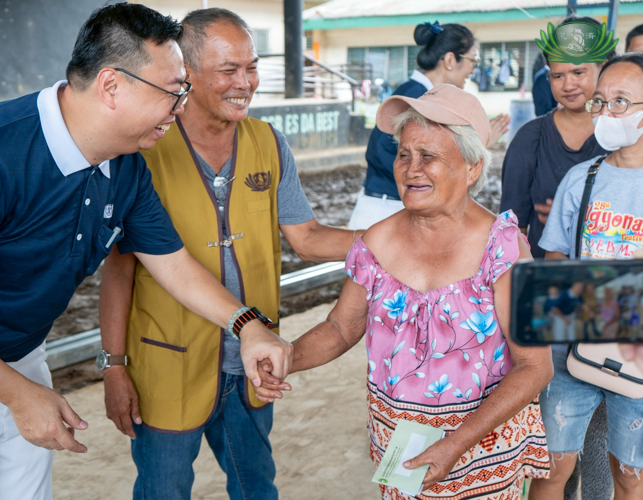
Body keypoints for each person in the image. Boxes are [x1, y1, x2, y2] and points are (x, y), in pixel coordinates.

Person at [0, 5, 292, 499]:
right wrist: (18, 395)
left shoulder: (126, 164)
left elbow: (173, 266)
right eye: (173, 91)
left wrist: (247, 325)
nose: (179, 108)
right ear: (111, 86)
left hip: (24, 357)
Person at [98, 9, 356, 500]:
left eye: (252, 67)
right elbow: (120, 268)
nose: (246, 83)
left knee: (257, 485)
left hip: (254, 363)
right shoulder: (145, 150)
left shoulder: (268, 143)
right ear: (186, 75)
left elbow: (306, 236)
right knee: (162, 490)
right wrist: (113, 366)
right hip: (167, 364)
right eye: (228, 70)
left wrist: (396, 236)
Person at [257, 84, 553, 500]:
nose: (411, 169)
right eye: (404, 154)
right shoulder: (376, 243)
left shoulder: (503, 248)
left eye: (429, 156)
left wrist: (455, 442)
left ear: (471, 168)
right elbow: (341, 329)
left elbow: (535, 367)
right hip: (399, 445)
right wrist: (287, 358)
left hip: (482, 452)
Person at [531, 52, 643, 500]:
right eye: (601, 101)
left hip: (638, 356)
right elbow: (554, 259)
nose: (605, 112)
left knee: (631, 477)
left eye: (621, 101)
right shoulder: (583, 178)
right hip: (570, 349)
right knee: (550, 470)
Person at [348, 21, 509, 230]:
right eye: (474, 60)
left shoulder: (415, 92)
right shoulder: (420, 100)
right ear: (450, 59)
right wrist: (479, 144)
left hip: (384, 205)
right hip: (388, 210)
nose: (473, 69)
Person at [501, 16, 612, 259]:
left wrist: (580, 215)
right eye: (557, 75)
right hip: (546, 278)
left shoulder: (626, 137)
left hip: (614, 284)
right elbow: (512, 230)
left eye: (578, 72)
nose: (568, 85)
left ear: (603, 67)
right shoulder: (530, 138)